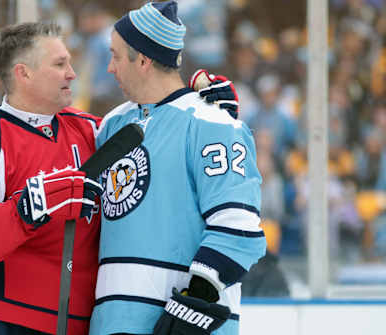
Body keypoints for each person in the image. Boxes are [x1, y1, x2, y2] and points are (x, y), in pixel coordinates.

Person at [89, 2, 267, 335]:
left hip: (183, 326)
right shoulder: (111, 126)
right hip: (110, 324)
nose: (110, 68)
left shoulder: (212, 124)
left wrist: (193, 305)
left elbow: (240, 228)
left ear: (142, 60)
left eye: (115, 56)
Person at [0, 22, 103, 335]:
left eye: (69, 62)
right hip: (4, 319)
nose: (72, 73)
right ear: (23, 73)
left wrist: (198, 99)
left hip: (79, 324)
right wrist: (31, 205)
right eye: (59, 64)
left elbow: (155, 130)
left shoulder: (89, 130)